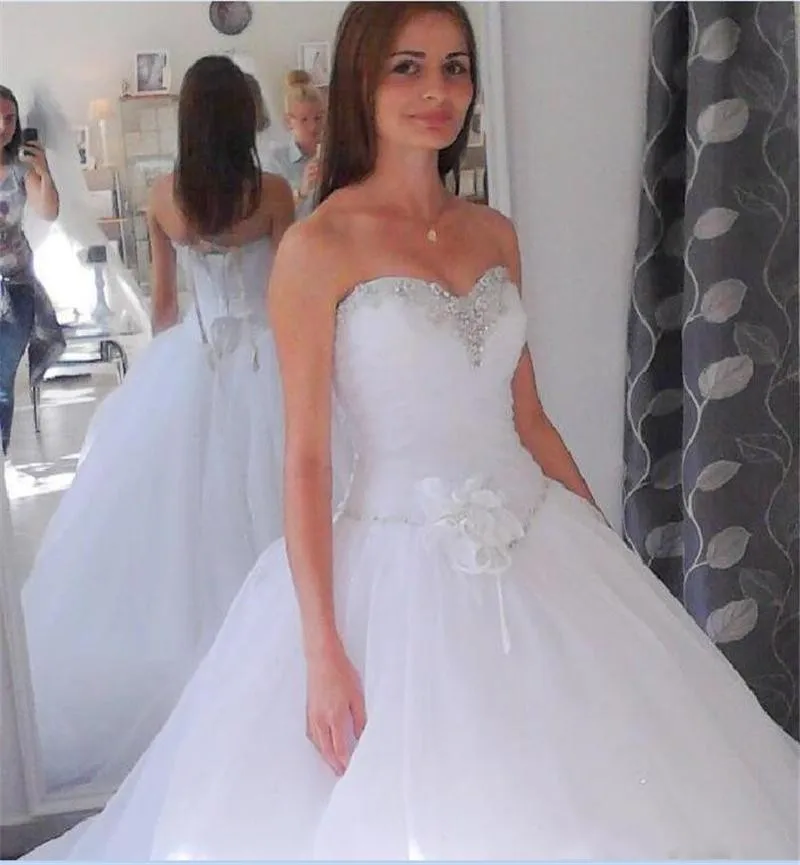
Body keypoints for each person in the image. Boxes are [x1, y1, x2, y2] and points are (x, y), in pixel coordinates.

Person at [26, 3, 798, 860]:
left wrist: (612, 558)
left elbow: (528, 417)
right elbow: (307, 458)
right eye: (409, 67)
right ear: (363, 79)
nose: (438, 91)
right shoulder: (316, 246)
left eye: (455, 67)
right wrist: (322, 647)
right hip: (393, 566)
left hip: (540, 542)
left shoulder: (493, 234)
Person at [21, 55, 351, 796]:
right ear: (243, 115)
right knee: (276, 513)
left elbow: (164, 306)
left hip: (196, 360)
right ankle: (280, 665)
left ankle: (208, 670)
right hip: (267, 360)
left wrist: (168, 378)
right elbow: (288, 291)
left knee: (188, 526)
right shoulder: (270, 194)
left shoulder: (163, 196)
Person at [0, 84, 64, 455]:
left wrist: (44, 170)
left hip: (16, 288)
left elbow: (49, 211)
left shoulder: (20, 171)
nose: (3, 126)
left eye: (10, 119)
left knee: (1, 379)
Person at [261, 69, 325, 219]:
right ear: (289, 121)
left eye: (318, 118)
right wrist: (302, 192)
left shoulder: (337, 155)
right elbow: (270, 215)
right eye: (304, 120)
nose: (313, 127)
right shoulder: (276, 161)